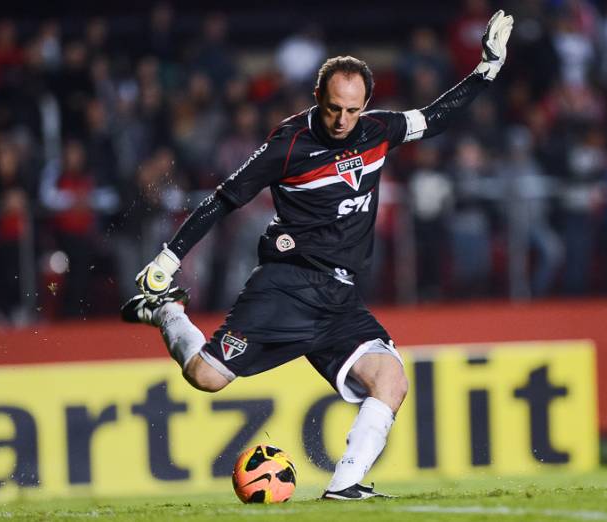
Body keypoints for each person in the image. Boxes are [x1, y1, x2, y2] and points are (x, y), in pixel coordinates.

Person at [121, 11, 514, 499]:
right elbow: (225, 198)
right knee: (205, 376)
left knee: (390, 380)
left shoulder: (378, 130)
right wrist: (168, 259)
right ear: (317, 100)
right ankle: (166, 311)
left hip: (340, 297)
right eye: (333, 108)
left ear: (365, 105)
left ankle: (345, 485)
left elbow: (434, 117)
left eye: (352, 110)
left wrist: (486, 71)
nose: (343, 120)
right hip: (288, 286)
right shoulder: (287, 145)